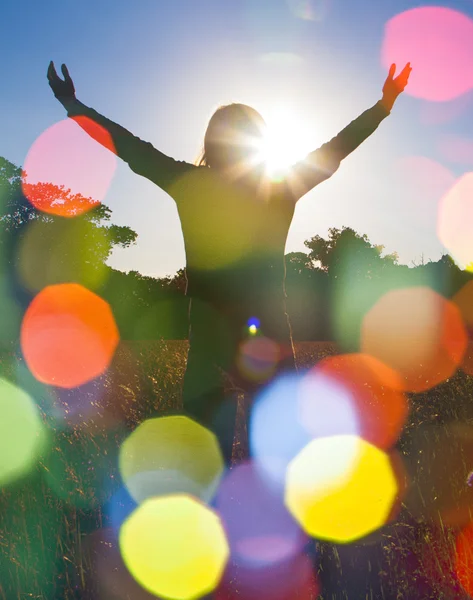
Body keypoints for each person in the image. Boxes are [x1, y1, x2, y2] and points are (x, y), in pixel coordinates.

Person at [47, 60, 411, 465]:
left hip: (209, 339)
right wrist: (384, 105)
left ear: (211, 142)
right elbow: (337, 147)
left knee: (207, 464)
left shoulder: (191, 184)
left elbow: (127, 145)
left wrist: (72, 105)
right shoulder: (281, 186)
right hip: (267, 339)